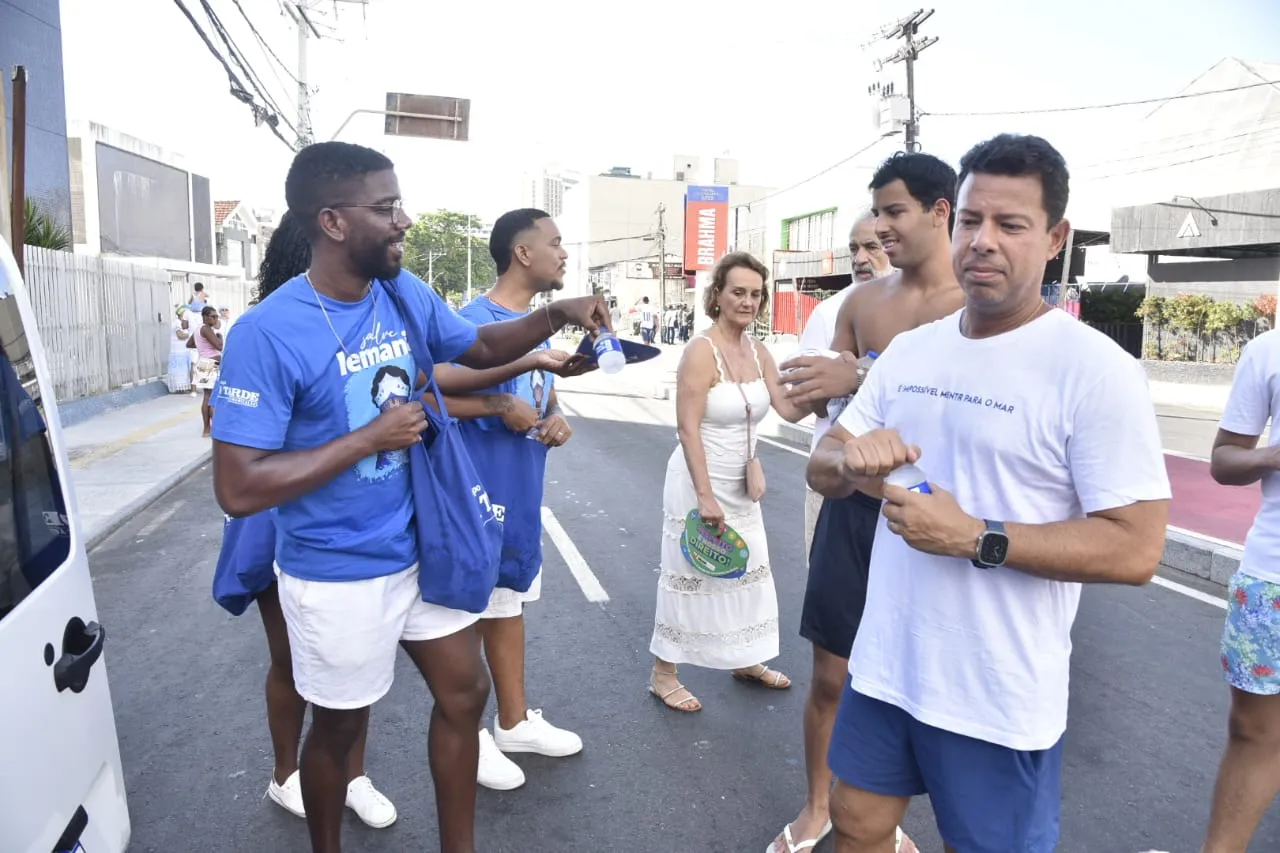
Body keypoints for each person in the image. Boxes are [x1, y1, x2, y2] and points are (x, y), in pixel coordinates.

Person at [209, 141, 608, 853]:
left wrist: (555, 316)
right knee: (339, 726)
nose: (405, 219)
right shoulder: (266, 333)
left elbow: (476, 350)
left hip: (416, 548)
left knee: (464, 692)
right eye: (387, 206)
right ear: (332, 221)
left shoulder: (400, 292)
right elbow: (239, 486)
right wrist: (368, 438)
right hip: (335, 569)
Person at [806, 133, 1171, 853]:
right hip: (886, 664)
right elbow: (823, 460)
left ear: (1055, 238)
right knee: (857, 822)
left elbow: (1137, 546)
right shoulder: (913, 350)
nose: (983, 241)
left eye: (1011, 225)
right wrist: (853, 464)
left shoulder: (1095, 370)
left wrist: (978, 536)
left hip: (996, 692)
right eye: (971, 220)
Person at [772, 154, 963, 853]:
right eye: (874, 213)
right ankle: (819, 804)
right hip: (852, 510)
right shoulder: (860, 304)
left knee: (916, 678)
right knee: (831, 673)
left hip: (934, 516)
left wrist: (856, 370)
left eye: (894, 212)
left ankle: (886, 816)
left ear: (941, 211)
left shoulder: (973, 307)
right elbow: (816, 411)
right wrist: (809, 384)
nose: (880, 228)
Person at [212, 210, 397, 828]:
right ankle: (285, 773)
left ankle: (354, 775)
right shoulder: (271, 330)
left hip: (348, 513)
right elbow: (236, 451)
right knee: (293, 660)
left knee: (352, 666)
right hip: (276, 514)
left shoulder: (369, 316)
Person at [435, 208, 591, 791]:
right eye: (555, 243)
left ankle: (514, 722)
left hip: (522, 496)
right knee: (468, 615)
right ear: (522, 253)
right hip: (475, 501)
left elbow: (539, 395)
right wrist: (497, 408)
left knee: (508, 606)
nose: (564, 254)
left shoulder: (535, 328)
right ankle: (469, 737)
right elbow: (430, 396)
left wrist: (556, 419)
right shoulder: (471, 324)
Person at [649, 251, 810, 712]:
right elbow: (687, 427)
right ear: (717, 295)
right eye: (738, 292)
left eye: (756, 294)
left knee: (750, 568)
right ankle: (663, 673)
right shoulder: (701, 350)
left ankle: (746, 657)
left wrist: (830, 386)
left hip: (742, 484)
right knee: (689, 573)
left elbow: (789, 408)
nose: (748, 302)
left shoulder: (760, 352)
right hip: (699, 481)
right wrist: (705, 498)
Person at [1201, 327, 1280, 853]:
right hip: (1271, 582)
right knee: (1255, 735)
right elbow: (1224, 459)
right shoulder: (1269, 350)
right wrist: (1271, 456)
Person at [797, 210, 893, 560]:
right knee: (832, 603)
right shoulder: (830, 312)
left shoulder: (926, 311)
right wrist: (838, 381)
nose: (860, 259)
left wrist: (859, 376)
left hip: (898, 492)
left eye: (872, 247)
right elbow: (806, 403)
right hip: (833, 481)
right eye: (854, 248)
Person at [194, 304, 223, 436]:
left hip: (203, 362)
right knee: (212, 398)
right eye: (213, 317)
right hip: (210, 363)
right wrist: (219, 337)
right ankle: (210, 428)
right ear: (205, 317)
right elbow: (219, 346)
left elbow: (190, 343)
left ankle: (207, 428)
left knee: (207, 396)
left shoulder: (199, 329)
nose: (215, 319)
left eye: (217, 317)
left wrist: (203, 346)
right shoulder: (206, 329)